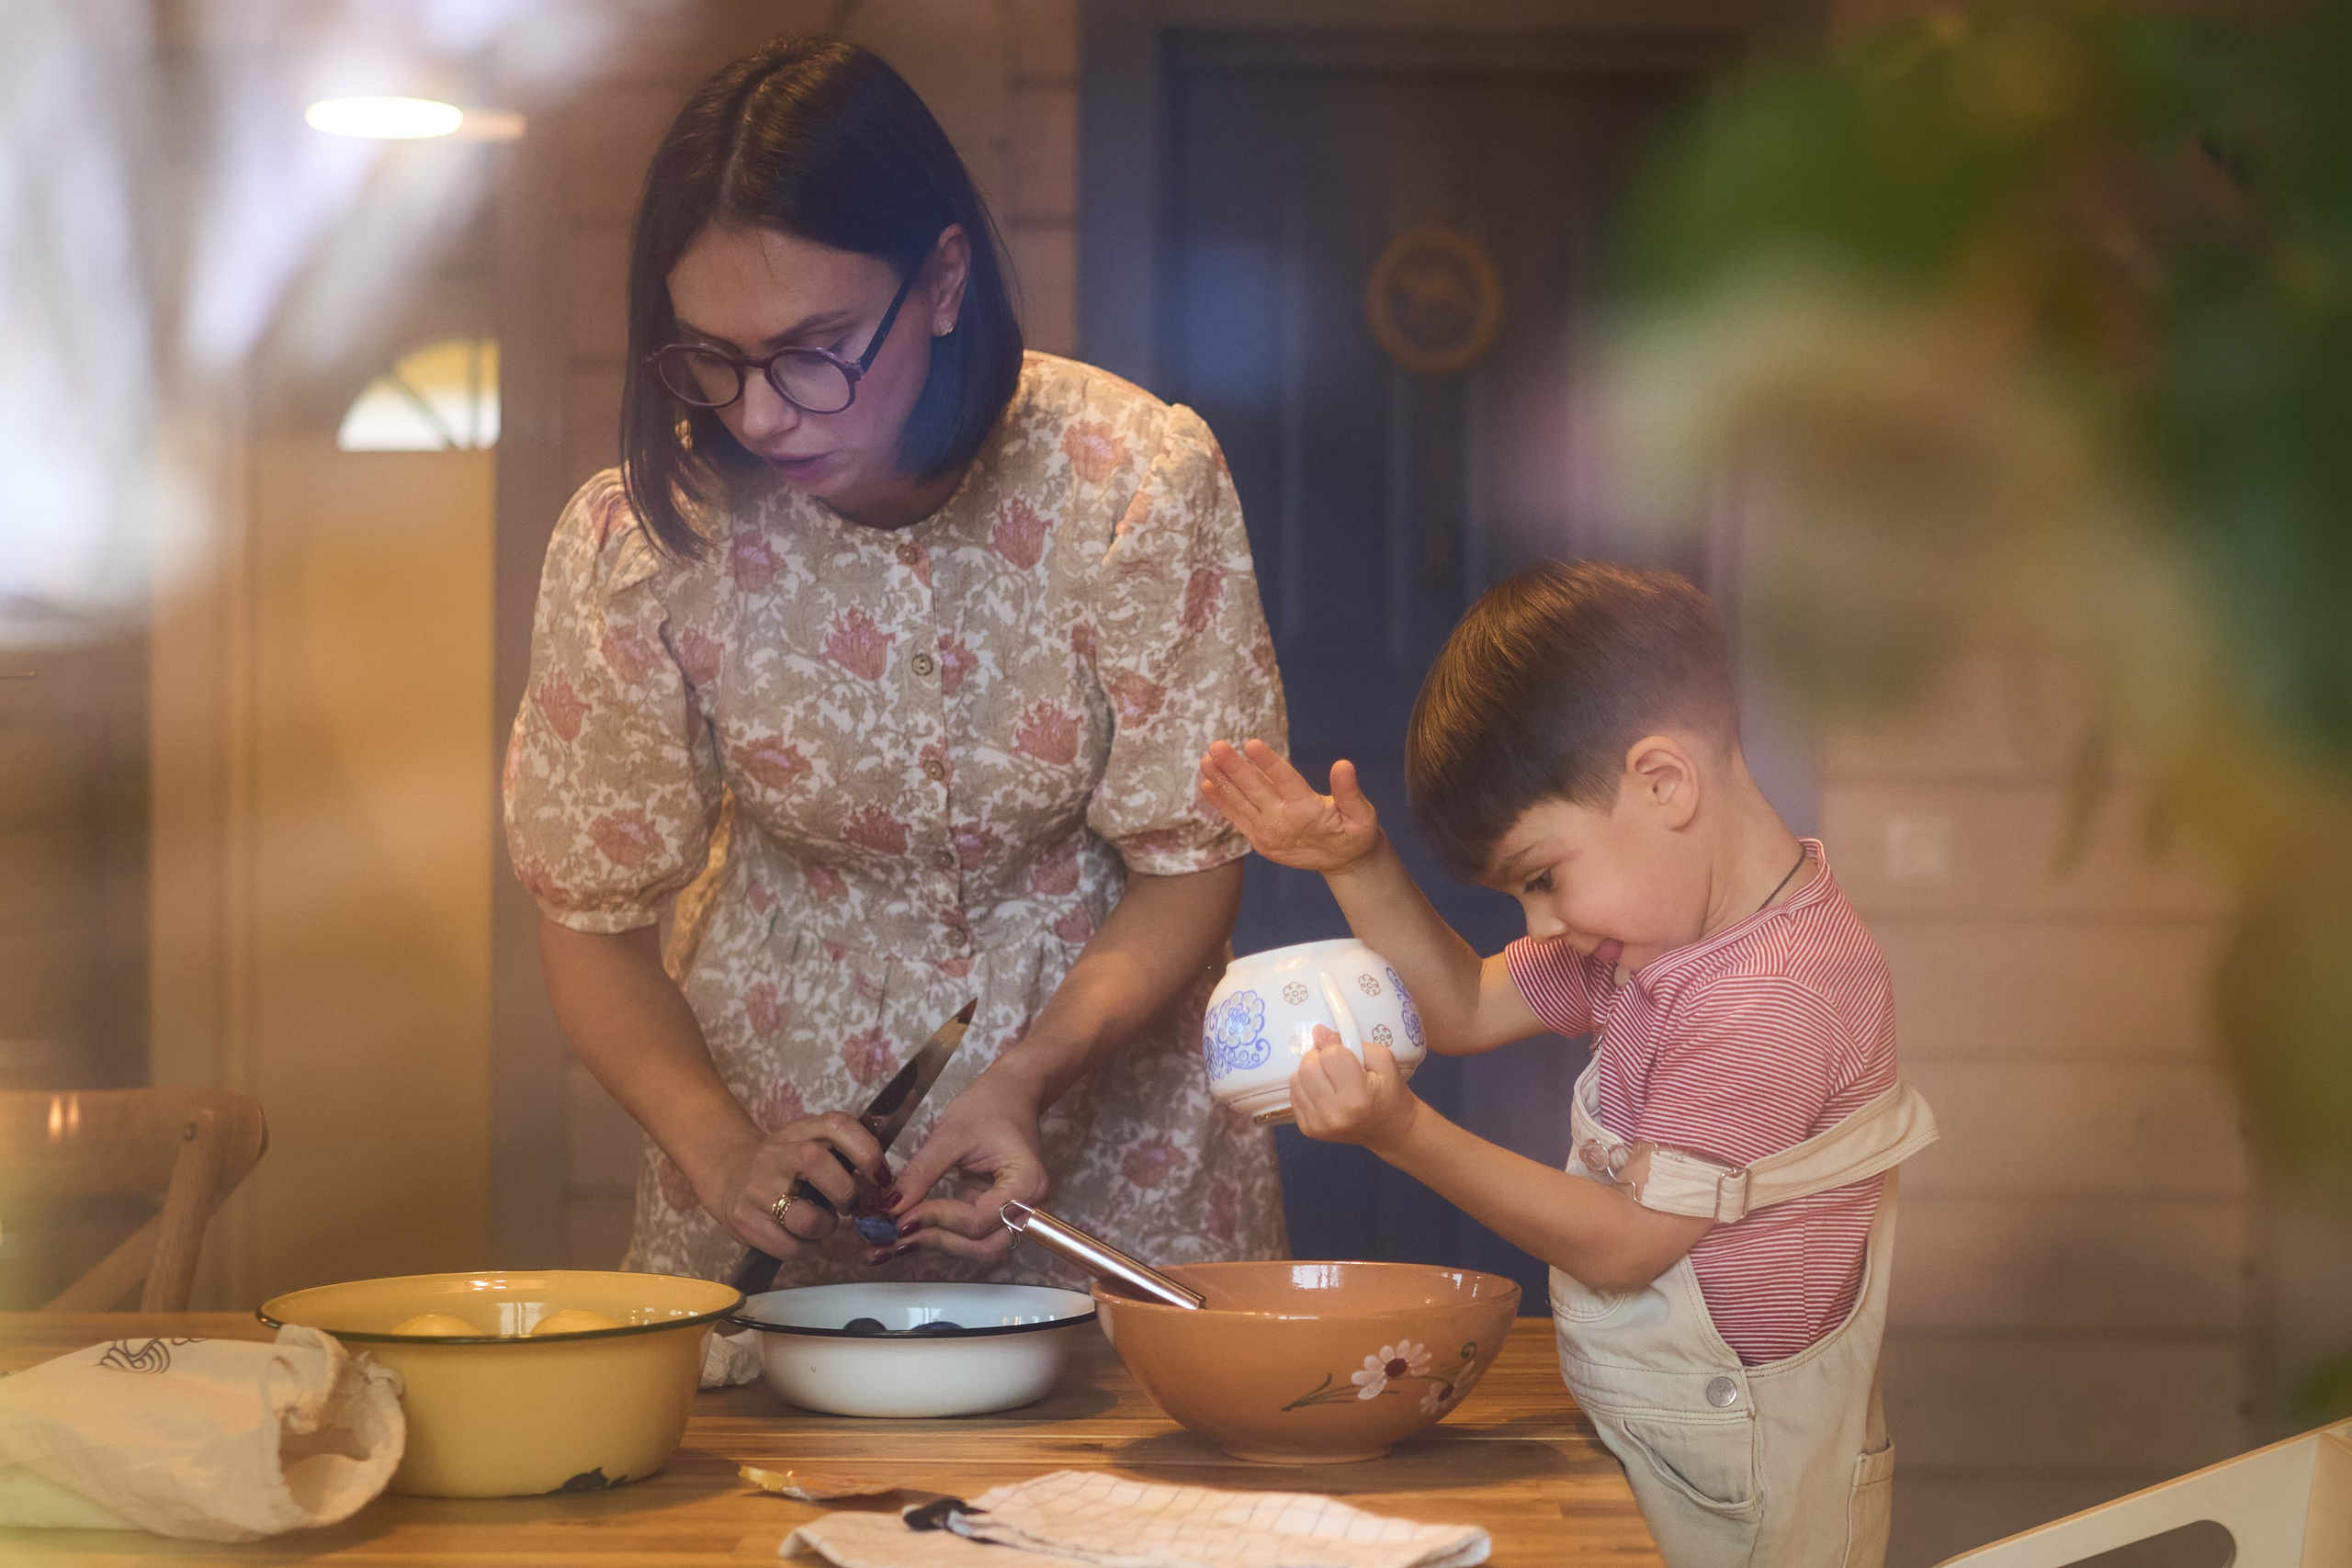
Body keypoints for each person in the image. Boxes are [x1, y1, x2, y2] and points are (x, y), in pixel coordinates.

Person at [504, 36, 1289, 1292]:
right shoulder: (646, 535)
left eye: (813, 348)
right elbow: (591, 925)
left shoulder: (1130, 482)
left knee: (1135, 1476)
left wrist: (1030, 1073)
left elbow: (1192, 862)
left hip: (1112, 1137)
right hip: (780, 1144)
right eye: (712, 355)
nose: (758, 413)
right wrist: (717, 1149)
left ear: (942, 278)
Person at [1198, 560, 1937, 1568]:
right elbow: (1458, 1005)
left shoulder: (1767, 996)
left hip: (1749, 1484)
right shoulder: (1663, 940)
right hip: (1665, 1437)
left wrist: (1400, 1132)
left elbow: (1630, 1244)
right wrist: (1352, 863)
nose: (1542, 924)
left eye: (1543, 878)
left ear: (1663, 783)